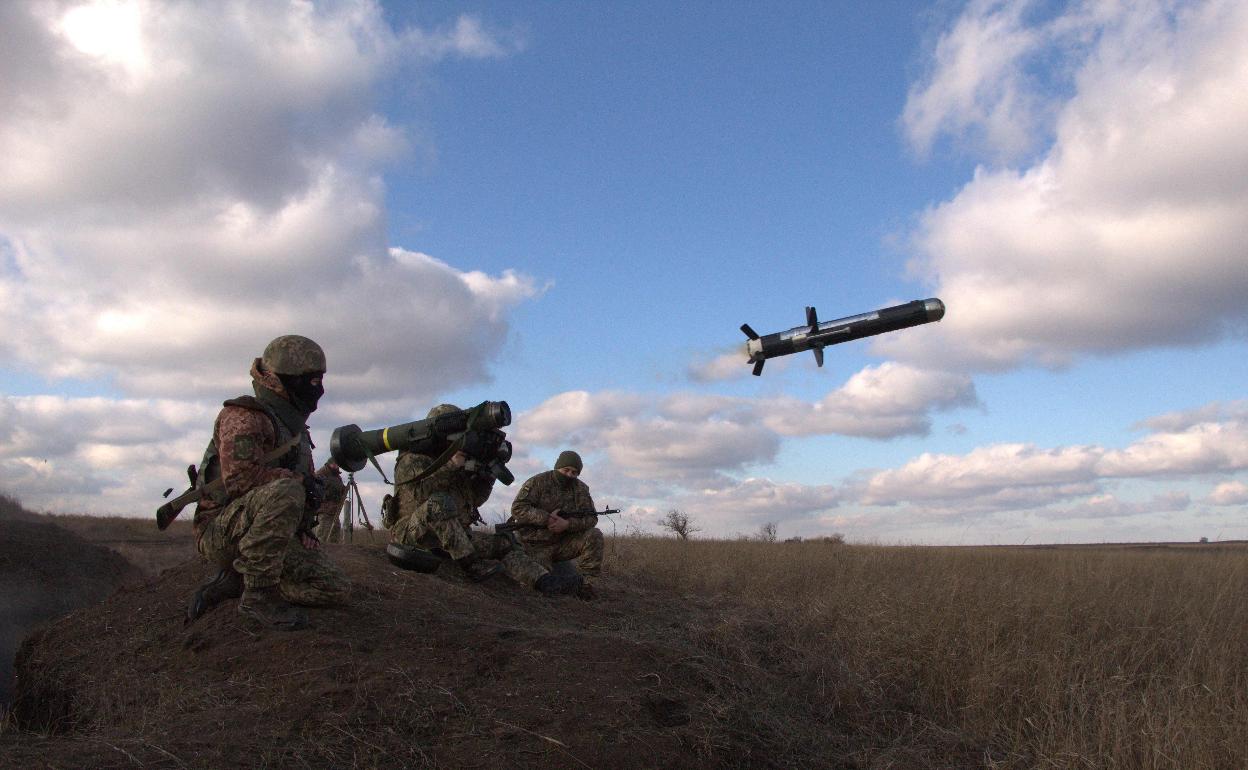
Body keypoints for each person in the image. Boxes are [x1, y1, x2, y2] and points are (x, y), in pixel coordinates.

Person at [187, 335, 351, 630]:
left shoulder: (295, 428)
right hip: (221, 532)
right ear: (281, 379)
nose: (319, 389)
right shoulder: (244, 416)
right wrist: (298, 483)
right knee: (288, 489)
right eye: (310, 381)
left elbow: (295, 486)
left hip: (263, 530)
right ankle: (259, 596)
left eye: (320, 380)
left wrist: (302, 526)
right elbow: (241, 481)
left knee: (335, 588)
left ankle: (238, 580)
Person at [388, 404, 579, 595]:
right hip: (412, 533)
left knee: (505, 543)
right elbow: (421, 494)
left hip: (450, 537)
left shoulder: (458, 459)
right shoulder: (412, 458)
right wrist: (451, 466)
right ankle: (472, 565)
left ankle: (544, 581)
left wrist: (486, 477)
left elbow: (474, 501)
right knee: (439, 501)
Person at [508, 450, 603, 599]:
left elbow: (592, 518)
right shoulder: (537, 482)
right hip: (535, 545)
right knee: (538, 586)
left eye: (574, 472)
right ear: (557, 467)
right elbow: (518, 508)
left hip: (562, 544)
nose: (569, 475)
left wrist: (567, 524)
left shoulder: (581, 489)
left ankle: (586, 585)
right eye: (566, 470)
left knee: (595, 534)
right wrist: (547, 519)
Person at [312, 460, 348, 544]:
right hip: (325, 510)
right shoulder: (321, 474)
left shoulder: (337, 476)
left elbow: (339, 489)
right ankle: (321, 553)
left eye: (337, 464)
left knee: (335, 533)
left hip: (334, 511)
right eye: (334, 464)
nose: (336, 466)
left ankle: (334, 555)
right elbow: (318, 491)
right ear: (329, 464)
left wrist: (344, 490)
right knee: (324, 534)